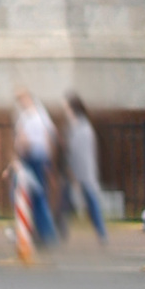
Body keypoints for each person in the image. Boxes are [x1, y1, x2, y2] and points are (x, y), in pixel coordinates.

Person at [57, 92, 107, 241]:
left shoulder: (81, 126)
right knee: (64, 202)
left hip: (81, 171)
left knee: (88, 200)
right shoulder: (76, 125)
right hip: (75, 170)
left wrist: (75, 174)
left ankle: (101, 233)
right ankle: (61, 232)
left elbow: (79, 152)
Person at [11, 89, 56, 244]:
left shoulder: (34, 116)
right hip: (34, 158)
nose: (21, 103)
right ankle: (40, 232)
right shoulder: (34, 115)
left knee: (33, 195)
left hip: (34, 158)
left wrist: (46, 159)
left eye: (22, 99)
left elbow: (25, 138)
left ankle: (44, 233)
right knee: (34, 195)